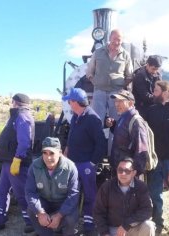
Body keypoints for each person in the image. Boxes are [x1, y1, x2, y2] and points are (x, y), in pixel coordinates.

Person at [0, 93, 35, 233]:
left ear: (15, 102)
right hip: (8, 162)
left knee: (22, 193)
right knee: (2, 191)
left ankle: (31, 222)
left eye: (11, 102)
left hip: (17, 162)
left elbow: (25, 142)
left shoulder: (22, 116)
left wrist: (18, 159)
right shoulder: (15, 116)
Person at [62, 88, 106, 235]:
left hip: (86, 164)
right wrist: (67, 149)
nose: (68, 103)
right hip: (73, 163)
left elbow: (101, 144)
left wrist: (92, 163)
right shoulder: (76, 117)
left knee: (89, 194)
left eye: (70, 101)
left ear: (75, 102)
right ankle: (70, 225)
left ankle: (89, 225)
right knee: (72, 193)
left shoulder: (93, 119)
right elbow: (72, 136)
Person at [25, 137, 80, 236]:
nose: (48, 157)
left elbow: (73, 195)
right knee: (31, 210)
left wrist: (59, 215)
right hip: (45, 202)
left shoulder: (70, 168)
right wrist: (40, 212)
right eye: (45, 153)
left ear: (60, 152)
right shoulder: (34, 166)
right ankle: (45, 233)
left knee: (70, 218)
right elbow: (30, 192)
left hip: (63, 203)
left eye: (52, 153)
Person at [146, 81, 169, 235]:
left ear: (166, 92)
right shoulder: (151, 110)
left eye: (156, 90)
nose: (153, 92)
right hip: (155, 160)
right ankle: (157, 223)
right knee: (155, 193)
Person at [93, 157, 155, 236]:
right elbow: (98, 212)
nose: (123, 173)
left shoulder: (141, 187)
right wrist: (104, 232)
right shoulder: (107, 187)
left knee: (148, 226)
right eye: (120, 170)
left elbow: (147, 210)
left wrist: (126, 225)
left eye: (127, 171)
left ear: (134, 173)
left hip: (133, 228)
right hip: (112, 229)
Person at [86, 29, 133, 123]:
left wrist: (121, 86)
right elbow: (89, 72)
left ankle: (114, 138)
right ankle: (97, 138)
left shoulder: (126, 55)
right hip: (99, 91)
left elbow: (130, 76)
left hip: (116, 93)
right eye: (114, 39)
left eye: (119, 39)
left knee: (115, 121)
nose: (116, 42)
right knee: (96, 120)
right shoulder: (98, 52)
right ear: (110, 38)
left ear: (122, 40)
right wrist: (95, 82)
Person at [106, 89, 148, 177]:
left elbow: (141, 150)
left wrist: (134, 173)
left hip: (128, 174)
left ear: (131, 103)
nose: (116, 104)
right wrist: (114, 125)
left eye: (120, 101)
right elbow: (124, 138)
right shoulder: (123, 117)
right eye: (116, 101)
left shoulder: (136, 121)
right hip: (120, 171)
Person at [131, 55, 163, 120]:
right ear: (147, 65)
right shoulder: (139, 75)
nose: (155, 71)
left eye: (157, 69)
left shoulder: (157, 75)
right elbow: (145, 95)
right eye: (153, 69)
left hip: (153, 105)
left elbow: (162, 89)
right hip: (141, 107)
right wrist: (160, 99)